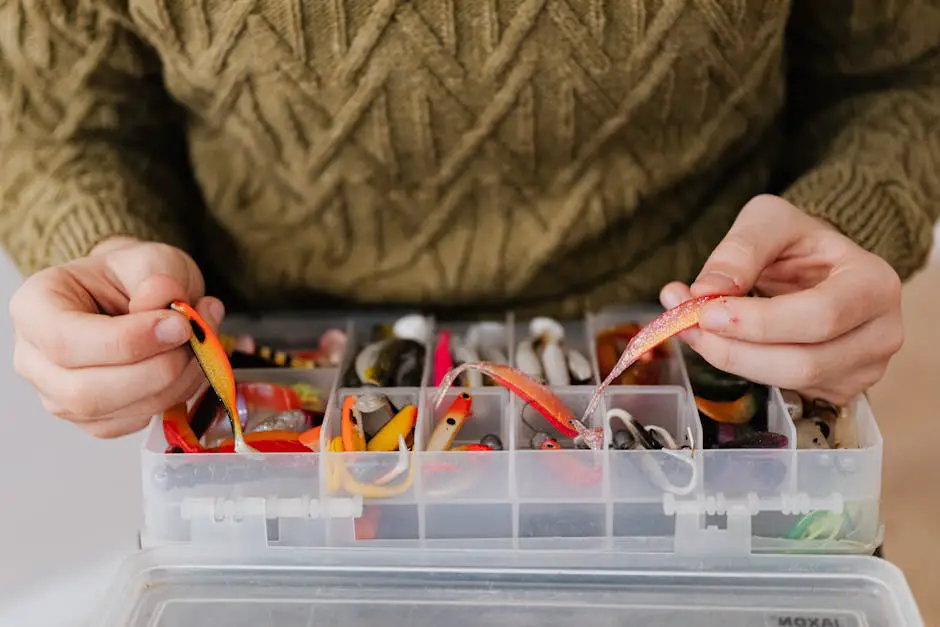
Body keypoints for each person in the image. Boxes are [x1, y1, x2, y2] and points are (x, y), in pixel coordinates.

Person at [1, 1, 937, 439]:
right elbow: (56, 124)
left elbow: (898, 73)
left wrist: (850, 215)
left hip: (715, 385)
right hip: (274, 413)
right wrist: (104, 252)